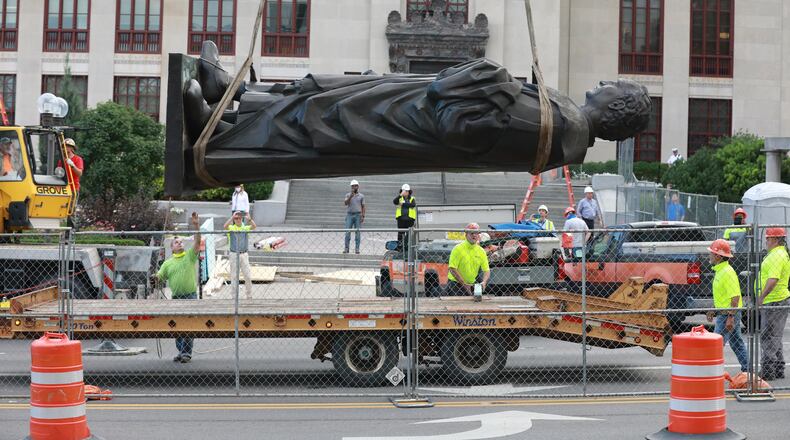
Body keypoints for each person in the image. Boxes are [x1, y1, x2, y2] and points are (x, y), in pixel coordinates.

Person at [173, 41, 651, 192]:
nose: (597, 84)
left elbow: (463, 127)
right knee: (330, 89)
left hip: (409, 121)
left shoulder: (554, 128)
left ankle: (216, 131)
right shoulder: (562, 122)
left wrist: (490, 76)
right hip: (413, 108)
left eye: (608, 87)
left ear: (615, 107)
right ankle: (227, 102)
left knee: (317, 115)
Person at [156, 212, 201, 363]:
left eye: (181, 242)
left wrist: (196, 226)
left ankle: (186, 352)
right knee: (176, 327)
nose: (180, 243)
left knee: (188, 325)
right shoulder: (167, 263)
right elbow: (160, 276)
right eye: (177, 242)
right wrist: (154, 278)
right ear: (172, 248)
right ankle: (181, 350)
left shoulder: (190, 256)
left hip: (190, 296)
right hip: (176, 298)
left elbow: (197, 242)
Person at [706, 239, 749, 373]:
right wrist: (714, 309)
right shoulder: (720, 270)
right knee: (736, 343)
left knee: (716, 344)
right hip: (725, 312)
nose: (709, 256)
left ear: (718, 256)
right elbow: (722, 295)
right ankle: (748, 370)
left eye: (711, 253)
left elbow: (735, 296)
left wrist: (731, 316)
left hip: (727, 314)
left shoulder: (727, 272)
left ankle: (710, 372)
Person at [757, 227, 790, 380]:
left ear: (775, 240)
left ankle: (768, 371)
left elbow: (773, 279)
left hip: (774, 300)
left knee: (769, 336)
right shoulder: (779, 254)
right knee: (774, 336)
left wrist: (762, 297)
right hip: (775, 300)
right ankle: (778, 368)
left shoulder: (777, 255)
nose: (766, 241)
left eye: (768, 238)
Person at [446, 223, 490, 296]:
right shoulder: (458, 249)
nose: (474, 235)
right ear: (466, 235)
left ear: (479, 235)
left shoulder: (481, 251)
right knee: (457, 306)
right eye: (471, 233)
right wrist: (464, 284)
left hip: (471, 284)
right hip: (456, 285)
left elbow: (486, 270)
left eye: (476, 233)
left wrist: (484, 282)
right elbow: (452, 268)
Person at [224, 210, 256, 300]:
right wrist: (232, 217)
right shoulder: (231, 227)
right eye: (236, 218)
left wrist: (249, 219)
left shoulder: (245, 228)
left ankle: (249, 296)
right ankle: (234, 297)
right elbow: (225, 226)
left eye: (239, 218)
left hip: (244, 254)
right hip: (234, 254)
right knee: (234, 276)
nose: (238, 220)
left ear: (242, 219)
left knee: (248, 276)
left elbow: (254, 226)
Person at [343, 179, 365, 254]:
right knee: (347, 232)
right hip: (349, 215)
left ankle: (357, 248)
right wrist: (350, 197)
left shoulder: (361, 196)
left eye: (355, 186)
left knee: (357, 233)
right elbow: (345, 203)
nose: (354, 187)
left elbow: (363, 206)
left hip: (358, 215)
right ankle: (346, 248)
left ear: (358, 186)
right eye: (353, 186)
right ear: (351, 187)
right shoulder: (347, 195)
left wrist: (363, 216)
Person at [393, 184, 416, 251]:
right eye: (404, 191)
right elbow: (394, 202)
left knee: (409, 235)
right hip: (401, 219)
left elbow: (413, 205)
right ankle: (400, 248)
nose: (405, 192)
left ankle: (408, 248)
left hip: (410, 220)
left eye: (406, 191)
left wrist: (403, 204)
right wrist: (400, 195)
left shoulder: (412, 199)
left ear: (409, 192)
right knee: (400, 234)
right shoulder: (399, 198)